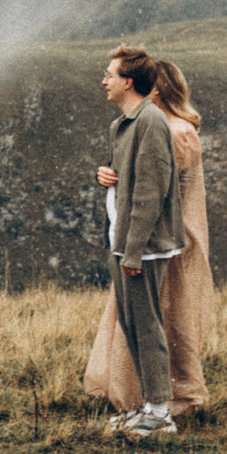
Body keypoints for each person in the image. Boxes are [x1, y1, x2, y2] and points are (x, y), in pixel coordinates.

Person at [85, 59, 213, 421]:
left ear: (152, 88)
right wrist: (108, 176)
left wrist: (136, 248)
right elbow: (137, 178)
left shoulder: (169, 129)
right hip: (132, 237)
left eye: (110, 76)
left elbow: (154, 189)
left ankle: (158, 406)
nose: (104, 81)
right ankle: (145, 402)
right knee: (136, 320)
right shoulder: (134, 125)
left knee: (156, 322)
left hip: (155, 241)